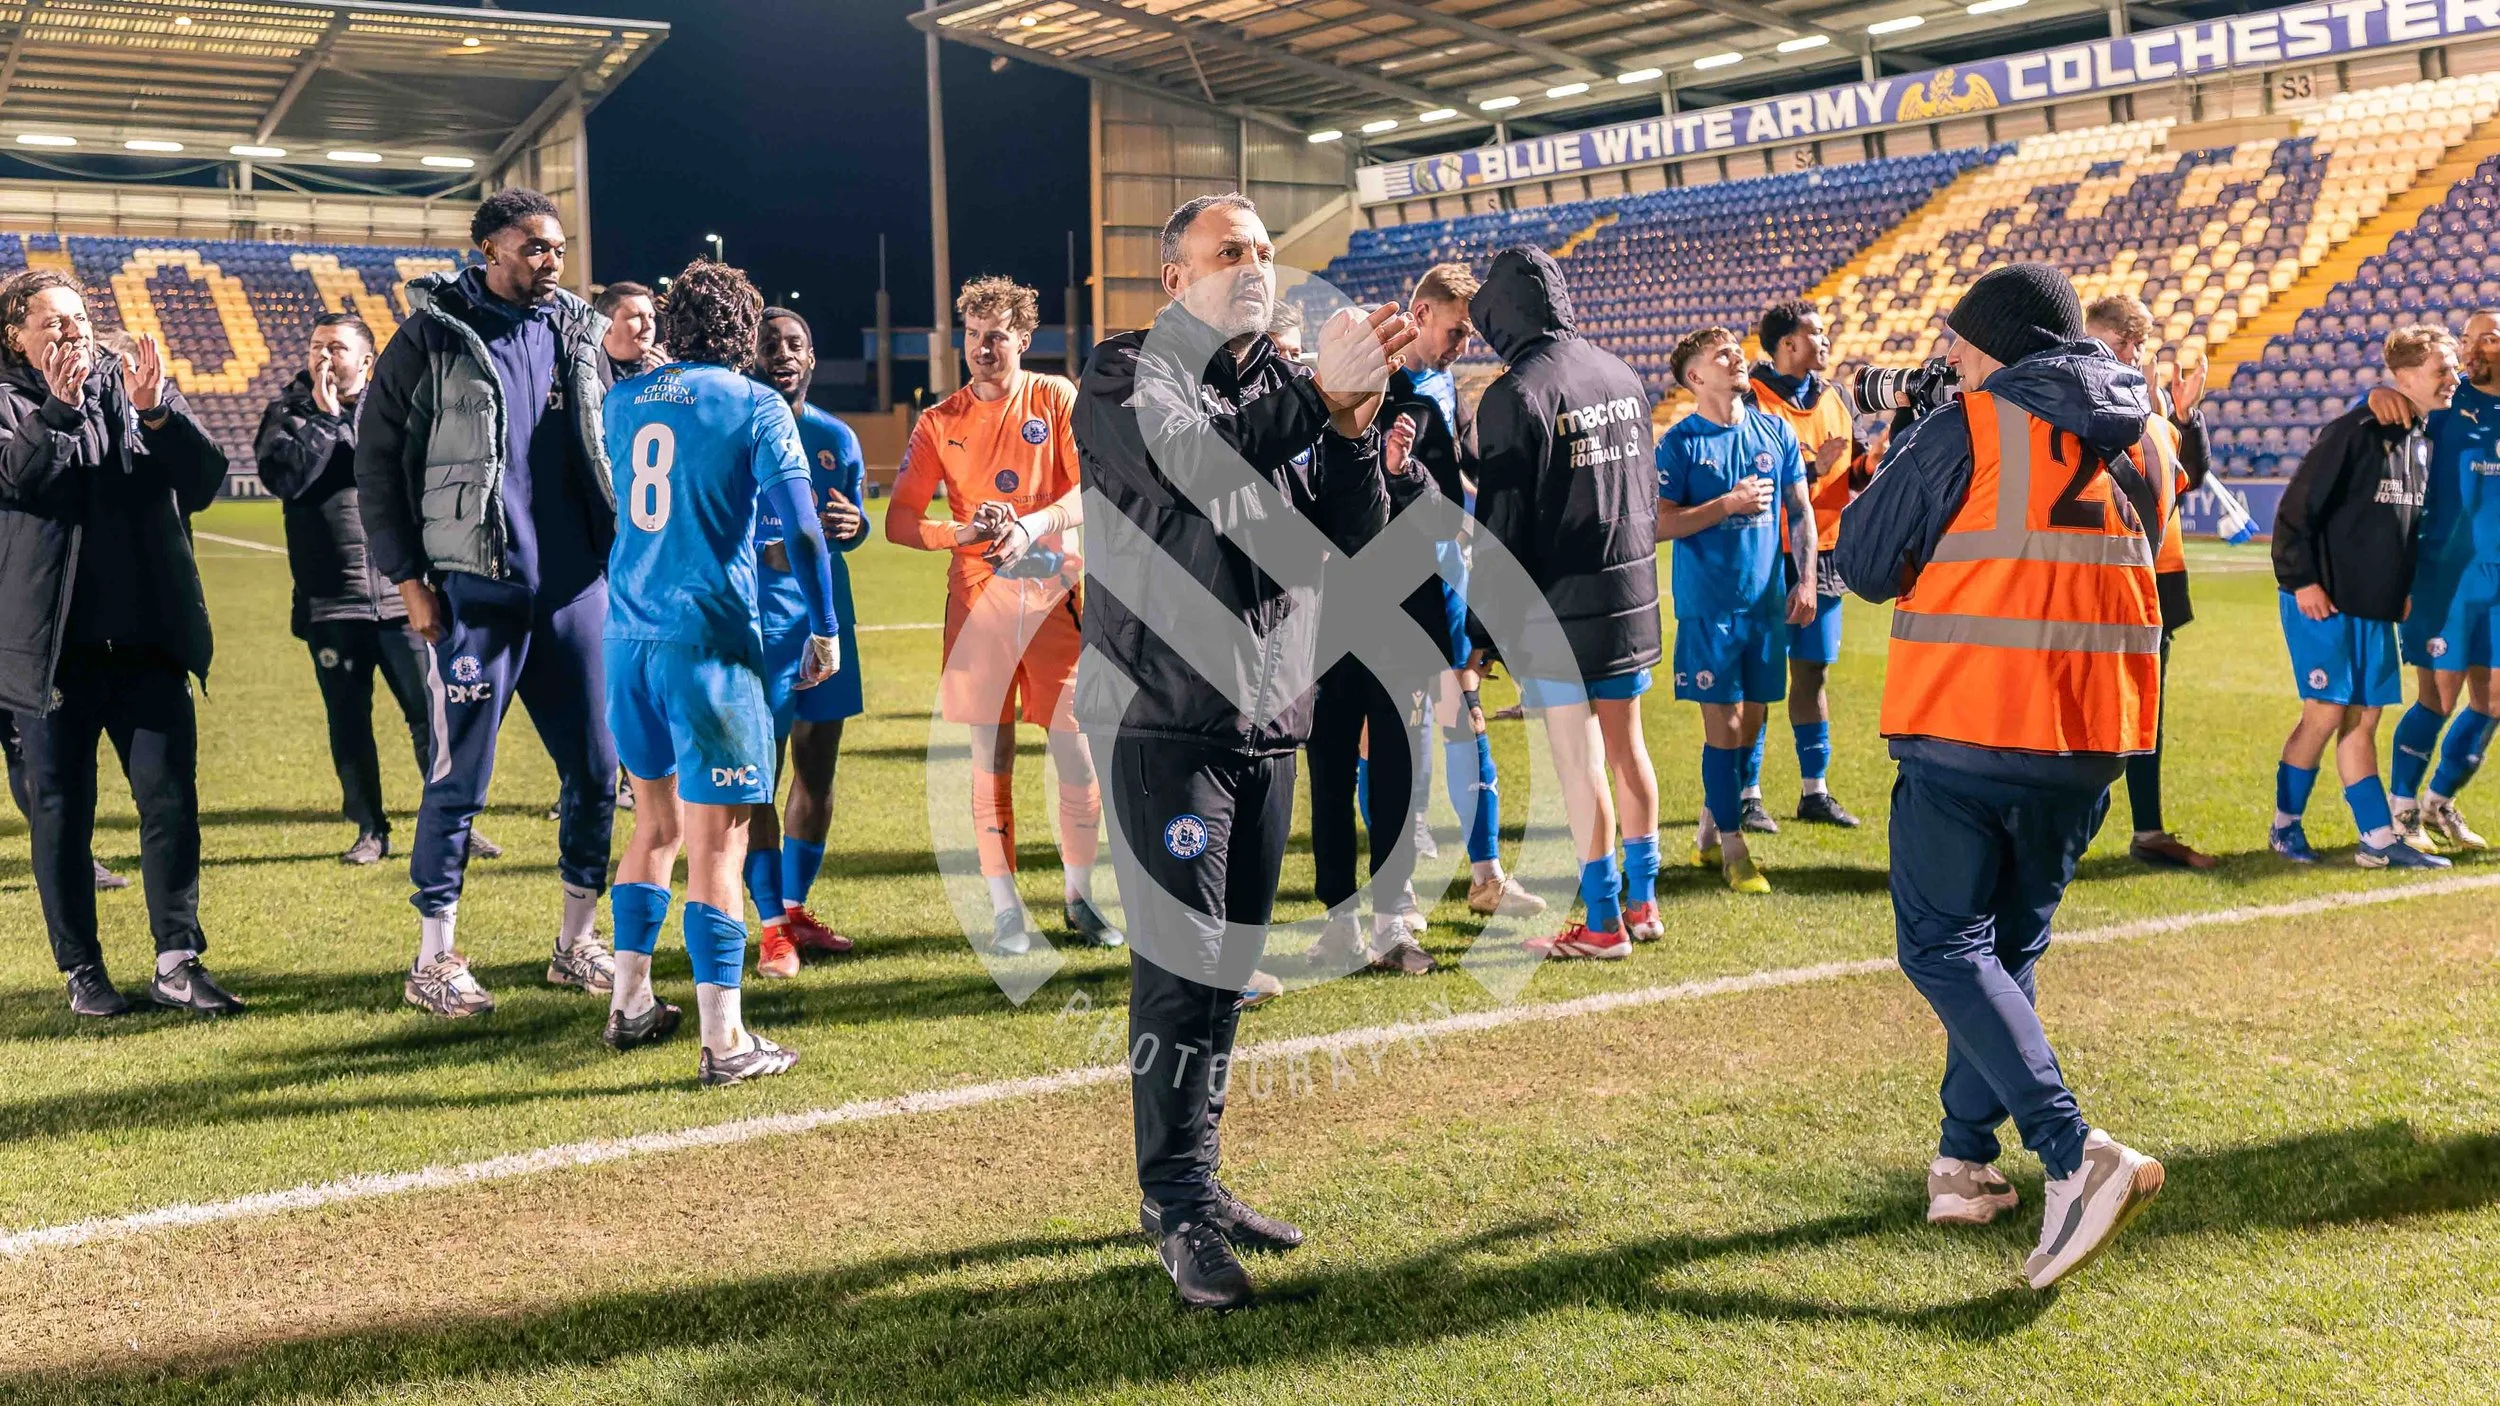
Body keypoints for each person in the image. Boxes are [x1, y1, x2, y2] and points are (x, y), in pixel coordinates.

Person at [1075, 191, 1410, 1309]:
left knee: (1227, 970)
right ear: (1176, 278)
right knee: (1181, 968)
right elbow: (1198, 471)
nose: (1257, 264)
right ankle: (1173, 1201)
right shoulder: (1126, 372)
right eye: (1232, 250)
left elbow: (1346, 540)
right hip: (1165, 719)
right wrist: (1318, 397)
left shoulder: (1278, 381)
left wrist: (1352, 431)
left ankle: (1200, 1183)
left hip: (1269, 715)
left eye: (1266, 249)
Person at [1837, 262, 2165, 1292]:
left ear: (2000, 343)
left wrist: (1901, 449)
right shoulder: (2141, 435)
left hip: (1972, 717)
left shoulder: (1969, 426)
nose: (1947, 356)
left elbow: (1863, 562)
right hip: (2091, 734)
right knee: (2004, 952)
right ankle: (1963, 1160)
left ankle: (2073, 1150)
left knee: (1941, 944)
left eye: (1959, 340)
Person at [354, 187, 621, 1017]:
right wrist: (408, 581)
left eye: (559, 247)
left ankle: (576, 943)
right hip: (478, 588)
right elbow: (377, 462)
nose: (552, 260)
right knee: (460, 778)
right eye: (536, 246)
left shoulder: (579, 331)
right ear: (489, 249)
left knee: (597, 770)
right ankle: (433, 959)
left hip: (576, 590)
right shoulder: (432, 335)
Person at [599, 259, 842, 1084]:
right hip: (707, 644)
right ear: (742, 334)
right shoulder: (755, 404)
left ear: (671, 327)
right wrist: (825, 628)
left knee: (653, 828)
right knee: (719, 845)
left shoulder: (624, 400)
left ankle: (630, 1003)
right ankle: (725, 1041)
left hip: (627, 639)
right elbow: (803, 531)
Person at [0, 267, 243, 1017]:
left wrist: (158, 414)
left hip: (147, 640)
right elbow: (20, 480)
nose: (72, 332)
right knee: (62, 816)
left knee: (169, 803)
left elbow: (204, 479)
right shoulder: (8, 401)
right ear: (14, 336)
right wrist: (61, 410)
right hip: (53, 653)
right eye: (52, 322)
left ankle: (177, 960)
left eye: (78, 318)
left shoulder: (131, 380)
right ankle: (82, 970)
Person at [886, 274, 1120, 955]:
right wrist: (961, 533)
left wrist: (1032, 524)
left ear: (1024, 339)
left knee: (1077, 755)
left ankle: (1079, 898)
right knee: (991, 762)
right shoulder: (939, 421)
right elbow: (901, 520)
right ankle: (1005, 910)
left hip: (1055, 603)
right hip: (978, 610)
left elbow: (1093, 488)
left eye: (997, 336)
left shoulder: (1056, 397)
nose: (982, 348)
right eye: (973, 335)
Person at [1466, 245, 1661, 961]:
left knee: (1579, 764)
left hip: (1559, 610)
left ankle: (1604, 922)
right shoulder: (1621, 372)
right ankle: (1643, 903)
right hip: (1630, 594)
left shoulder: (1514, 394)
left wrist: (1482, 631)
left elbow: (1502, 530)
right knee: (1629, 750)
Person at [254, 312, 503, 866]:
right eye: (317, 345)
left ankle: (453, 825)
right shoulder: (287, 413)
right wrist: (324, 420)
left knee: (430, 715)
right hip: (332, 600)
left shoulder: (398, 407)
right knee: (349, 722)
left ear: (367, 361)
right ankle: (370, 828)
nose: (324, 356)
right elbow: (284, 480)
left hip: (402, 593)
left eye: (337, 347)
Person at [1384, 263, 1542, 922]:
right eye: (1454, 331)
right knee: (1389, 732)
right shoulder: (1376, 384)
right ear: (1420, 315)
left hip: (1448, 575)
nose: (1461, 345)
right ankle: (1396, 892)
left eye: (1468, 335)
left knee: (1464, 716)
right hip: (1387, 582)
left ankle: (1487, 877)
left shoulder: (1444, 382)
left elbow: (1453, 474)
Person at [2268, 324, 2456, 869]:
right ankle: (2284, 828)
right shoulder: (2356, 429)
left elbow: (2402, 529)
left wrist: (2399, 591)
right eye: (2441, 369)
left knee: (2365, 718)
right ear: (2404, 376)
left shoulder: (2420, 440)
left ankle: (2376, 838)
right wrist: (2302, 580)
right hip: (2323, 599)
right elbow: (2295, 510)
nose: (2452, 378)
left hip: (2373, 607)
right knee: (2326, 713)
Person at [1656, 326, 1817, 895]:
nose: (1736, 358)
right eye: (1720, 354)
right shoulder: (1680, 443)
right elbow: (1657, 524)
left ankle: (1708, 829)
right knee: (1723, 726)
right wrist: (1727, 504)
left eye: (1735, 350)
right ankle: (1733, 848)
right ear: (1696, 377)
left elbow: (1800, 509)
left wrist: (1806, 579)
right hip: (1709, 609)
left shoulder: (1775, 431)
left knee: (1751, 721)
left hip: (1765, 606)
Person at [749, 306, 870, 977]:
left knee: (817, 769)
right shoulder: (738, 429)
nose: (784, 354)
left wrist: (855, 527)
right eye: (770, 345)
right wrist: (762, 550)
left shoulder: (835, 437)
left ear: (813, 356)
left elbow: (851, 525)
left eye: (795, 343)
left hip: (827, 621)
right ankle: (771, 927)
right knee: (754, 779)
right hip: (759, 625)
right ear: (751, 357)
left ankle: (794, 909)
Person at [2082, 296, 2217, 869]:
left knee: (2144, 710)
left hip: (2155, 578)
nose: (2133, 355)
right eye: (2122, 343)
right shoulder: (2080, 406)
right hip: (2097, 577)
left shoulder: (2152, 411)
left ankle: (2148, 830)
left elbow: (2189, 478)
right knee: (2085, 704)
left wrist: (2183, 419)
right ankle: (2067, 826)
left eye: (2137, 344)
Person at [2366, 308, 2500, 853]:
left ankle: (2438, 801)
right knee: (2438, 698)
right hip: (2446, 575)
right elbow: (2394, 401)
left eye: (2487, 338)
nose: (2474, 348)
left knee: (2493, 702)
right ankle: (2401, 809)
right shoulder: (2445, 403)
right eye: (2468, 339)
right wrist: (2379, 393)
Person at [1747, 300, 1863, 829]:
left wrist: (1874, 460)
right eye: (1816, 332)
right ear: (1788, 343)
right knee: (1759, 673)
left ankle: (1814, 791)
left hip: (1824, 553)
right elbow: (1745, 481)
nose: (1825, 339)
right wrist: (1813, 471)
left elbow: (1853, 470)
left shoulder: (1835, 396)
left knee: (1813, 671)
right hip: (1767, 553)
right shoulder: (1751, 399)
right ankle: (1747, 793)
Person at [596, 281, 663, 382]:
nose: (649, 326)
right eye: (637, 316)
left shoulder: (668, 373)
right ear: (606, 323)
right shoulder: (583, 370)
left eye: (651, 317)